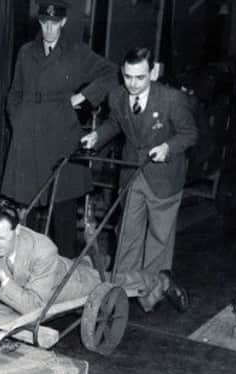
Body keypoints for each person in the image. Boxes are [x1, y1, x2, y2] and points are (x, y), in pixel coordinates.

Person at [2, 0, 118, 258]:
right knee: (27, 209)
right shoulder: (26, 52)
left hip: (60, 134)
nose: (49, 29)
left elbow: (112, 73)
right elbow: (14, 93)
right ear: (39, 22)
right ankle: (25, 267)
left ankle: (65, 271)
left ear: (63, 22)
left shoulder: (77, 52)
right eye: (44, 23)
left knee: (63, 209)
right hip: (28, 135)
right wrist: (18, 123)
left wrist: (84, 97)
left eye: (54, 23)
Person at [81, 48, 197, 287]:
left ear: (152, 73)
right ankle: (121, 287)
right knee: (126, 233)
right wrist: (97, 135)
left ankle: (150, 292)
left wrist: (167, 146)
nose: (132, 84)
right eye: (128, 76)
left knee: (159, 236)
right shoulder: (117, 96)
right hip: (132, 171)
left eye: (140, 77)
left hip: (164, 176)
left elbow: (190, 134)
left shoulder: (172, 99)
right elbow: (115, 122)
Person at [0, 200, 189, 315]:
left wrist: (4, 279)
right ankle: (93, 261)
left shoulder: (43, 249)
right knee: (78, 266)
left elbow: (35, 307)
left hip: (70, 284)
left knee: (114, 281)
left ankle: (160, 280)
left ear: (17, 231)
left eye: (1, 238)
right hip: (51, 272)